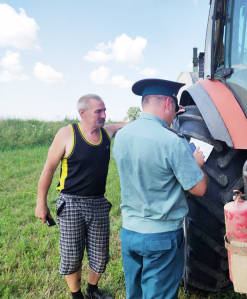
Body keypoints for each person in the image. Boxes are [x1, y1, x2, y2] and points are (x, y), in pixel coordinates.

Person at [113, 79, 208, 299]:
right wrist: (197, 165)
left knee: (135, 293)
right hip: (161, 238)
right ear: (168, 103)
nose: (174, 114)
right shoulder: (172, 141)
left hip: (129, 232)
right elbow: (199, 189)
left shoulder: (122, 136)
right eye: (174, 109)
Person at [35, 94, 126, 299]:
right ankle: (77, 296)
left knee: (100, 255)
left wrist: (170, 113)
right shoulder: (67, 134)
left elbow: (126, 125)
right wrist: (41, 204)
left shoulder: (106, 132)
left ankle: (92, 290)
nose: (104, 115)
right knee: (71, 255)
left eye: (104, 110)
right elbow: (49, 169)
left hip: (98, 203)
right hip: (71, 203)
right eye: (98, 111)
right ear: (82, 113)